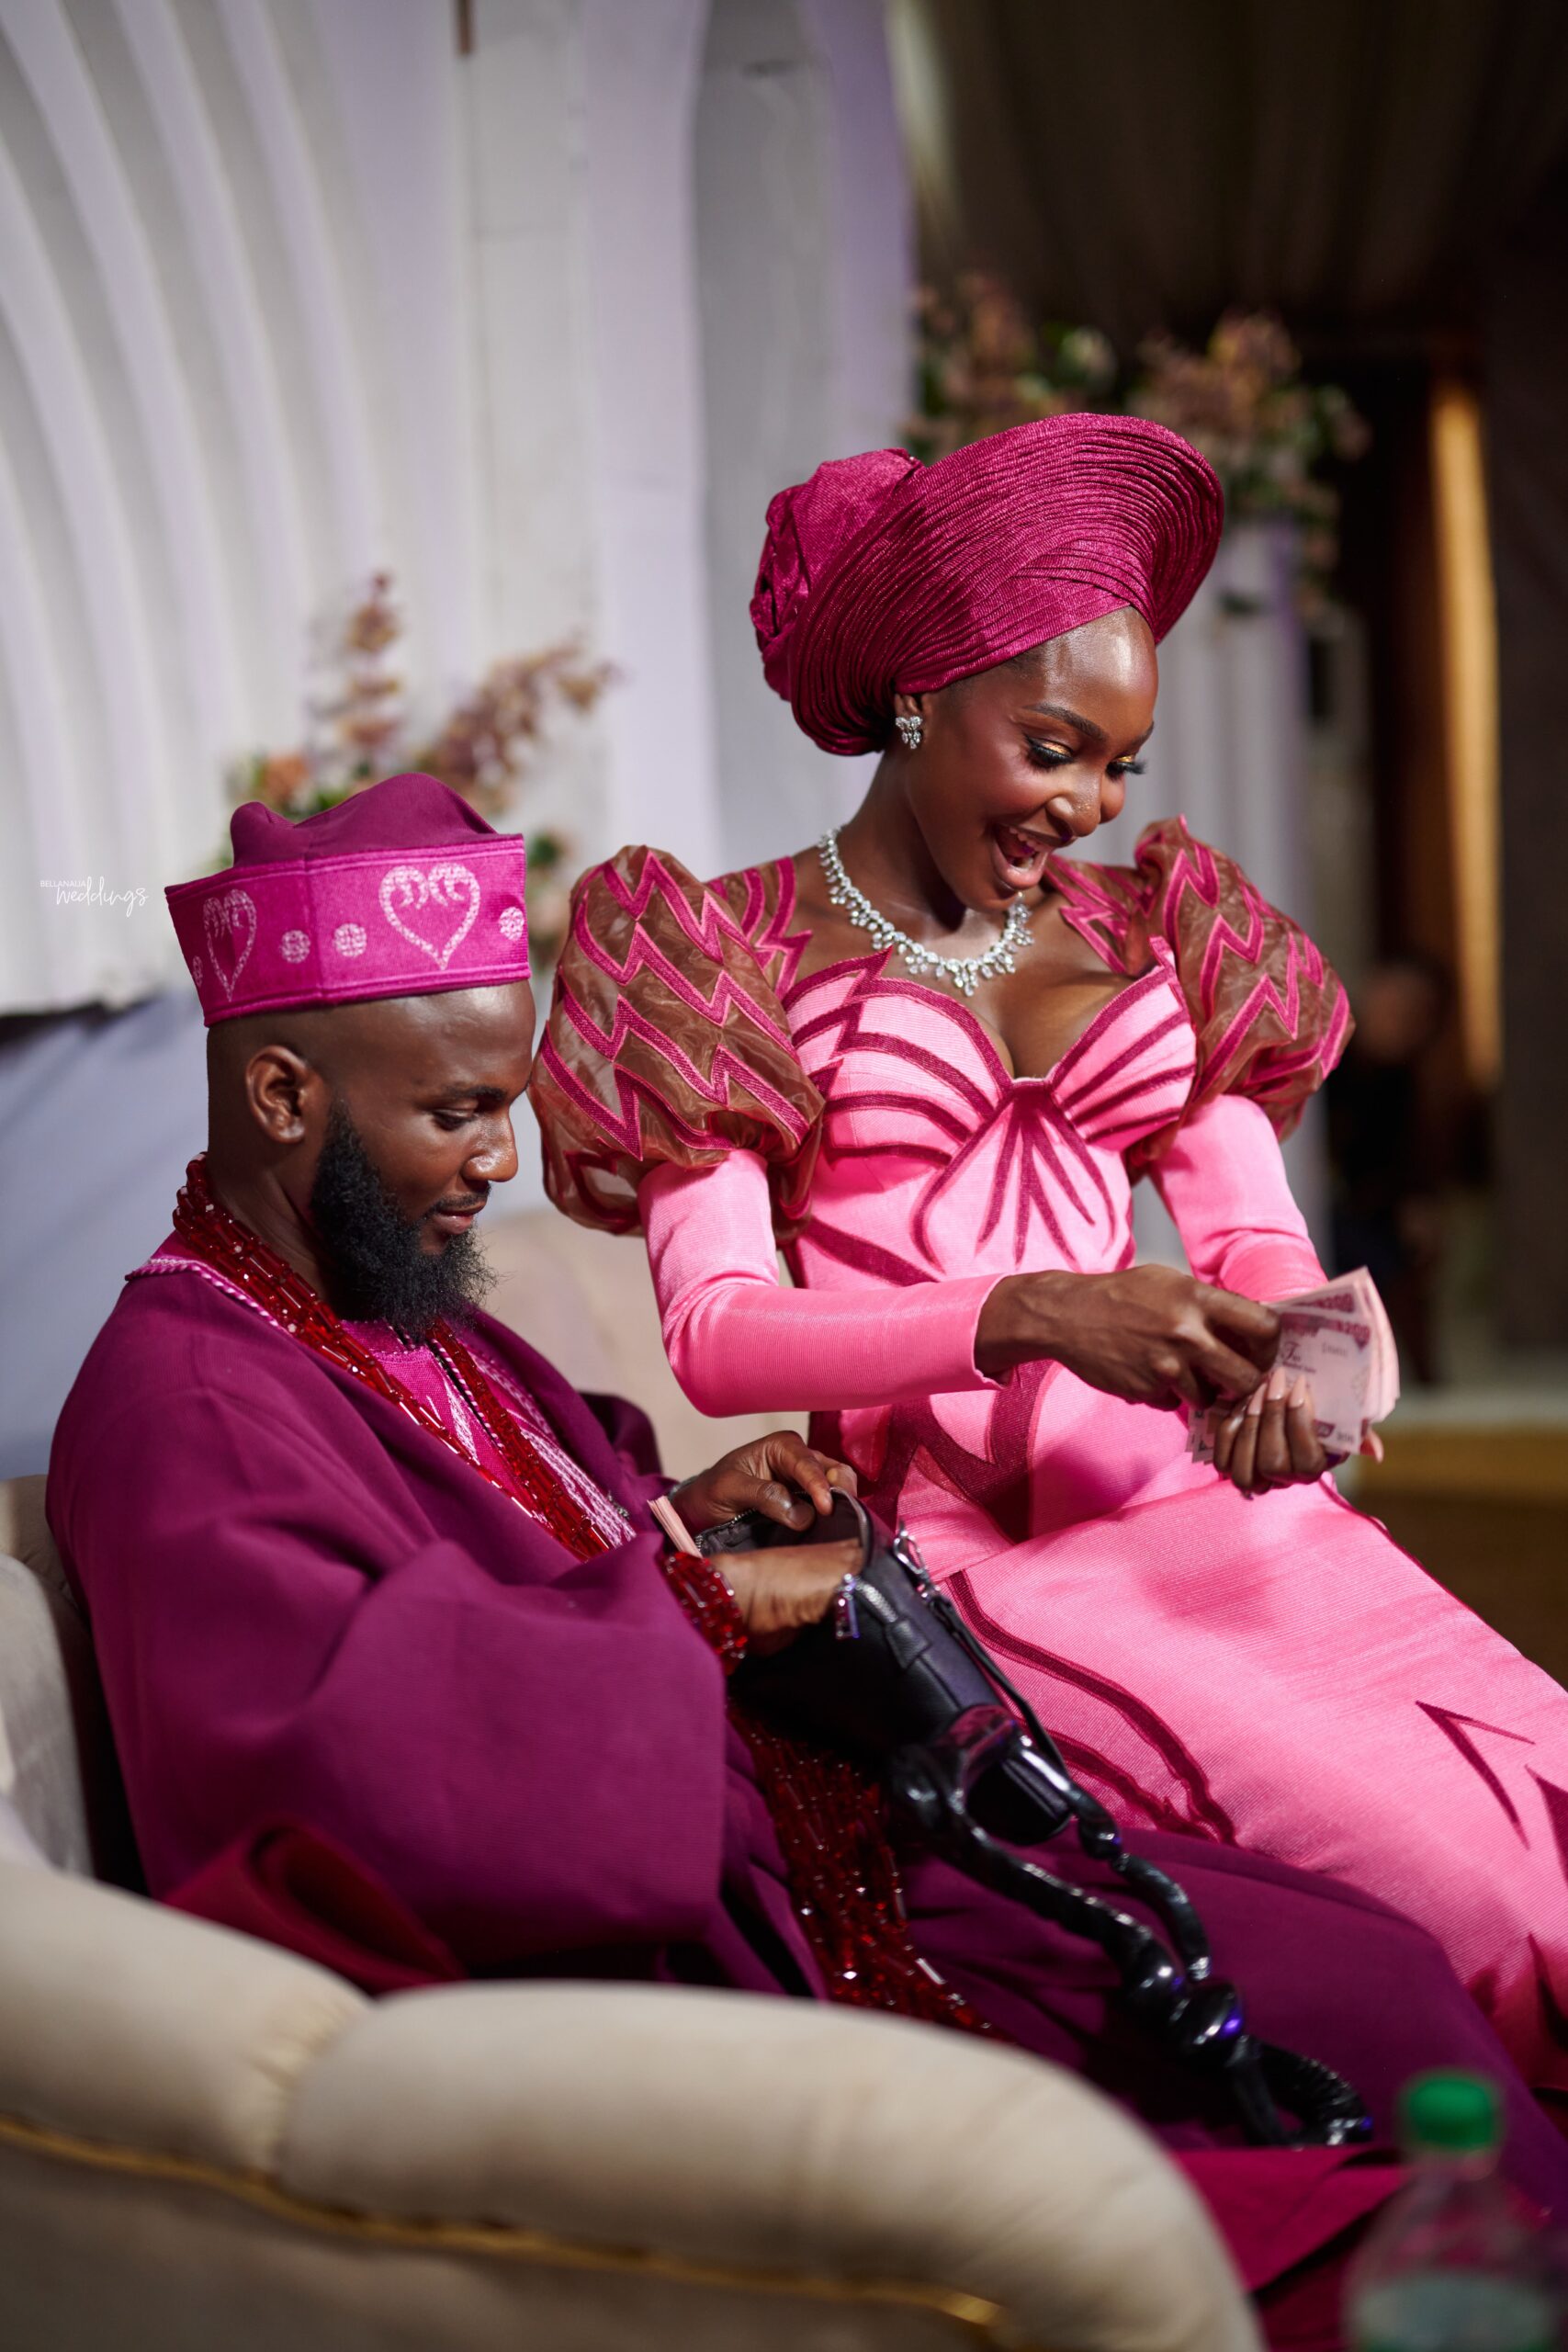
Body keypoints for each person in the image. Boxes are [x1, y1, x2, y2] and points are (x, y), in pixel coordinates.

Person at [44, 774, 1568, 2346]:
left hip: (808, 1807)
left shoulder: (376, 1310)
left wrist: (684, 1512)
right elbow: (332, 1765)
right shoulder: (188, 1398)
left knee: (1370, 1960)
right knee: (1342, 2030)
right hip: (714, 1914)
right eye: (458, 1115)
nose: (502, 1161)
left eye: (505, 1106)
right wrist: (702, 1601)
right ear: (282, 1096)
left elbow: (545, 1523)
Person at [530, 413, 1568, 2096]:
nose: (1084, 806)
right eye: (1053, 748)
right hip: (985, 1572)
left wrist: (1310, 1392)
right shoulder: (720, 947)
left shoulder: (1149, 929)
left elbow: (1258, 1245)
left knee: (1549, 1832)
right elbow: (717, 1331)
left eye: (1118, 767)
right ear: (922, 697)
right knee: (1474, 1911)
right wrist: (1033, 1312)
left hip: (1239, 1526)